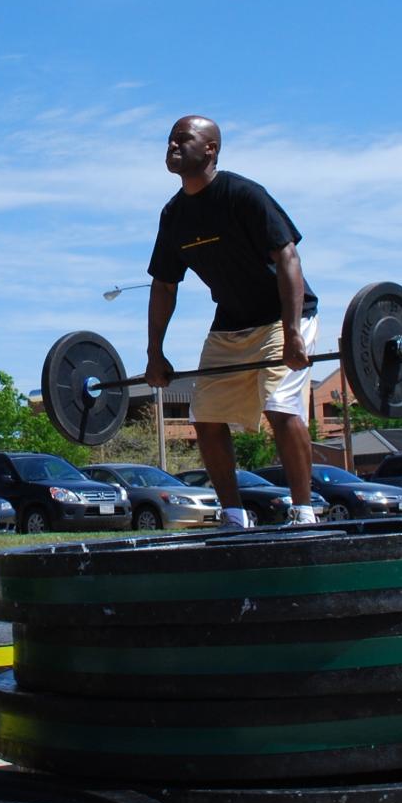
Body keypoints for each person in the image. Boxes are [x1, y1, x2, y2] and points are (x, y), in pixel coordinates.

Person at [144, 116, 319, 528]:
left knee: (280, 406)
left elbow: (289, 257)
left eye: (182, 140)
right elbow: (164, 286)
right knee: (205, 415)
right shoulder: (173, 215)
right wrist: (155, 353)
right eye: (169, 140)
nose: (172, 146)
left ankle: (305, 512)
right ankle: (234, 514)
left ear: (211, 149)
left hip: (284, 315)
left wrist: (293, 333)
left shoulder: (243, 194)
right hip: (231, 321)